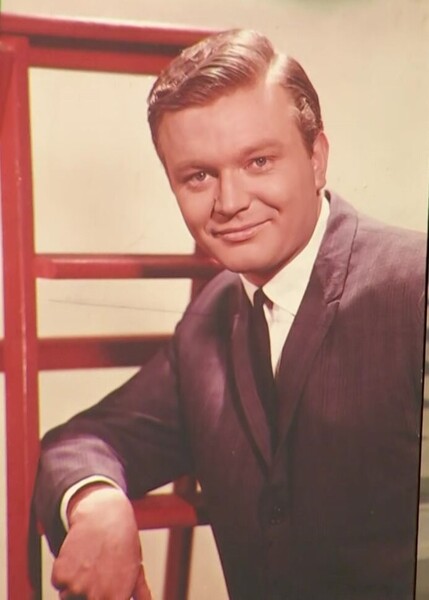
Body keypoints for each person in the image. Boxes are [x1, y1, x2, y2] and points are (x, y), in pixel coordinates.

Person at [33, 29, 426, 600]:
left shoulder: (416, 286)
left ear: (317, 158)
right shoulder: (211, 319)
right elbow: (85, 439)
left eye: (259, 161)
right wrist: (98, 507)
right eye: (198, 176)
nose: (231, 201)